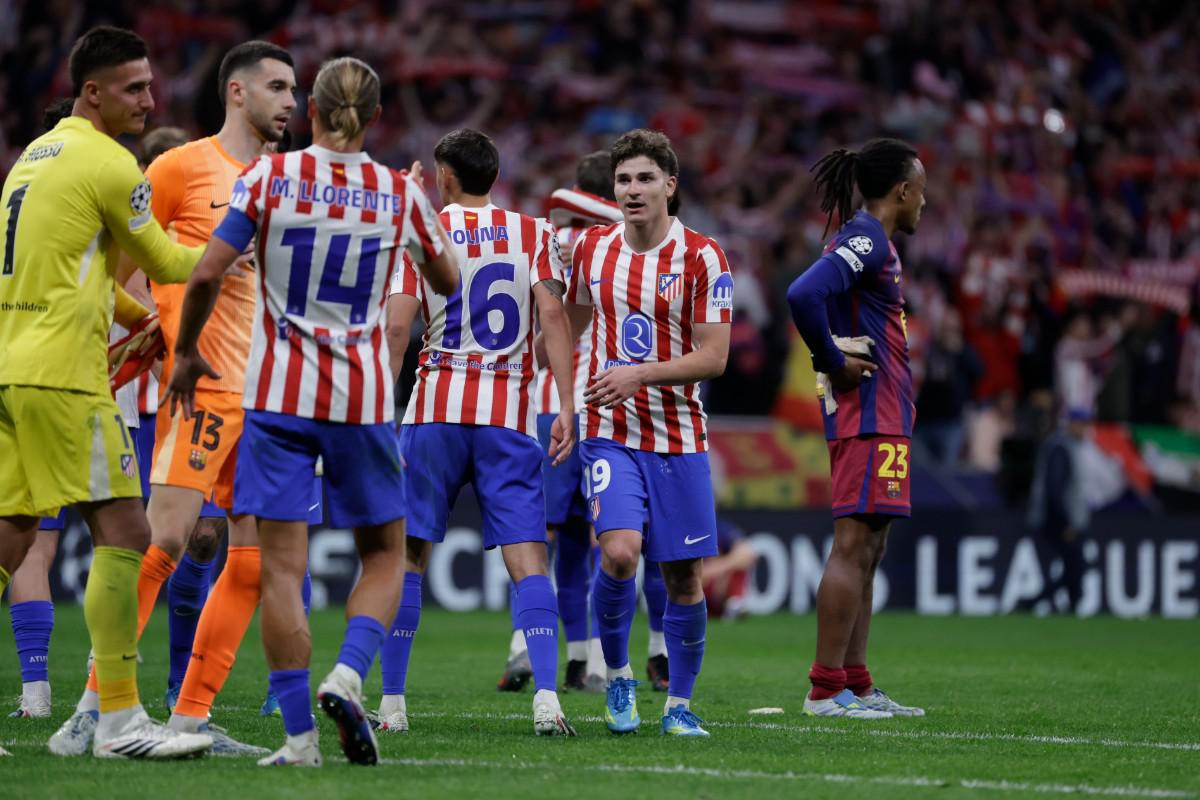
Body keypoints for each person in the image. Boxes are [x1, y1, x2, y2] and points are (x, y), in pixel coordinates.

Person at [165, 55, 456, 767]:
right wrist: (414, 216)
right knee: (385, 555)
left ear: (315, 112)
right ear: (376, 117)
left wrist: (187, 351)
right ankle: (349, 673)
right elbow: (448, 279)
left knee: (279, 571)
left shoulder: (268, 176)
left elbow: (206, 273)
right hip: (361, 398)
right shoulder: (397, 192)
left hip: (277, 398)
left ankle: (299, 738)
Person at [52, 40, 301, 758]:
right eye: (278, 87)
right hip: (204, 389)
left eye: (295, 90)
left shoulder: (290, 179)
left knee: (251, 562)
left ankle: (191, 716)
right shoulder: (178, 168)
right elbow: (115, 269)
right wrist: (146, 337)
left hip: (274, 398)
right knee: (162, 541)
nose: (291, 102)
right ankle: (95, 708)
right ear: (237, 92)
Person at [1, 24, 213, 759]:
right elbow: (168, 261)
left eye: (150, 85)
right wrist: (239, 246)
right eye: (134, 88)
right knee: (127, 533)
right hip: (65, 376)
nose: (150, 100)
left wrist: (140, 319)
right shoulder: (112, 163)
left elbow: (73, 271)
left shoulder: (34, 158)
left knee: (12, 535)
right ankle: (119, 722)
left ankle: (113, 718)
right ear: (92, 92)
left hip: (12, 368)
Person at [380, 127, 577, 736]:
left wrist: (380, 413)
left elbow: (397, 330)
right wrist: (565, 404)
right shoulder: (533, 232)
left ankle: (392, 705)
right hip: (507, 416)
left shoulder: (423, 232)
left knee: (408, 556)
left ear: (445, 176)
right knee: (529, 558)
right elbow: (552, 315)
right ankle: (548, 699)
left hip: (433, 411)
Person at [563, 129, 733, 737]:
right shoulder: (591, 250)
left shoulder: (703, 257)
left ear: (669, 185)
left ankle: (679, 706)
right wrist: (560, 400)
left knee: (682, 577)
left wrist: (641, 373)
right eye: (623, 180)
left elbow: (714, 357)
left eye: (644, 179)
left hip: (679, 435)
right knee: (618, 553)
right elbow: (570, 324)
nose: (632, 190)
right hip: (609, 431)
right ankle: (617, 676)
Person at [785, 137, 928, 718]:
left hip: (885, 413)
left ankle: (856, 683)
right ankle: (824, 690)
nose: (924, 203)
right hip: (867, 414)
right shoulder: (866, 238)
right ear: (903, 190)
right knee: (852, 544)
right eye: (922, 192)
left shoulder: (875, 242)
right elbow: (803, 293)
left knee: (870, 545)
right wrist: (830, 359)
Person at [517, 151, 622, 694]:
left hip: (551, 405)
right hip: (594, 406)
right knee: (602, 536)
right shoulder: (612, 243)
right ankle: (595, 660)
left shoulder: (557, 240)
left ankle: (552, 652)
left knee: (555, 536)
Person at [1025, 409, 1091, 613]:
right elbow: (1054, 490)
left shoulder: (1067, 446)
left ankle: (1063, 606)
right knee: (1076, 567)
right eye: (1080, 424)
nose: (1083, 429)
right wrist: (1065, 524)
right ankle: (1033, 603)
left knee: (1075, 568)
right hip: (1058, 522)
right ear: (1070, 424)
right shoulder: (1061, 448)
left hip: (1060, 520)